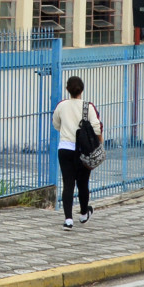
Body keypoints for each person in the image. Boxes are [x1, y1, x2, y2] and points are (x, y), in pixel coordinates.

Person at [51, 75, 102, 229]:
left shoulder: (62, 106)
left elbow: (56, 124)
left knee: (68, 183)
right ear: (82, 89)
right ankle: (83, 213)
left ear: (67, 89)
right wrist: (99, 143)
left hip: (65, 149)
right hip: (83, 151)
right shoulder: (88, 106)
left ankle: (68, 219)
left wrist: (66, 130)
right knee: (83, 183)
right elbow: (97, 127)